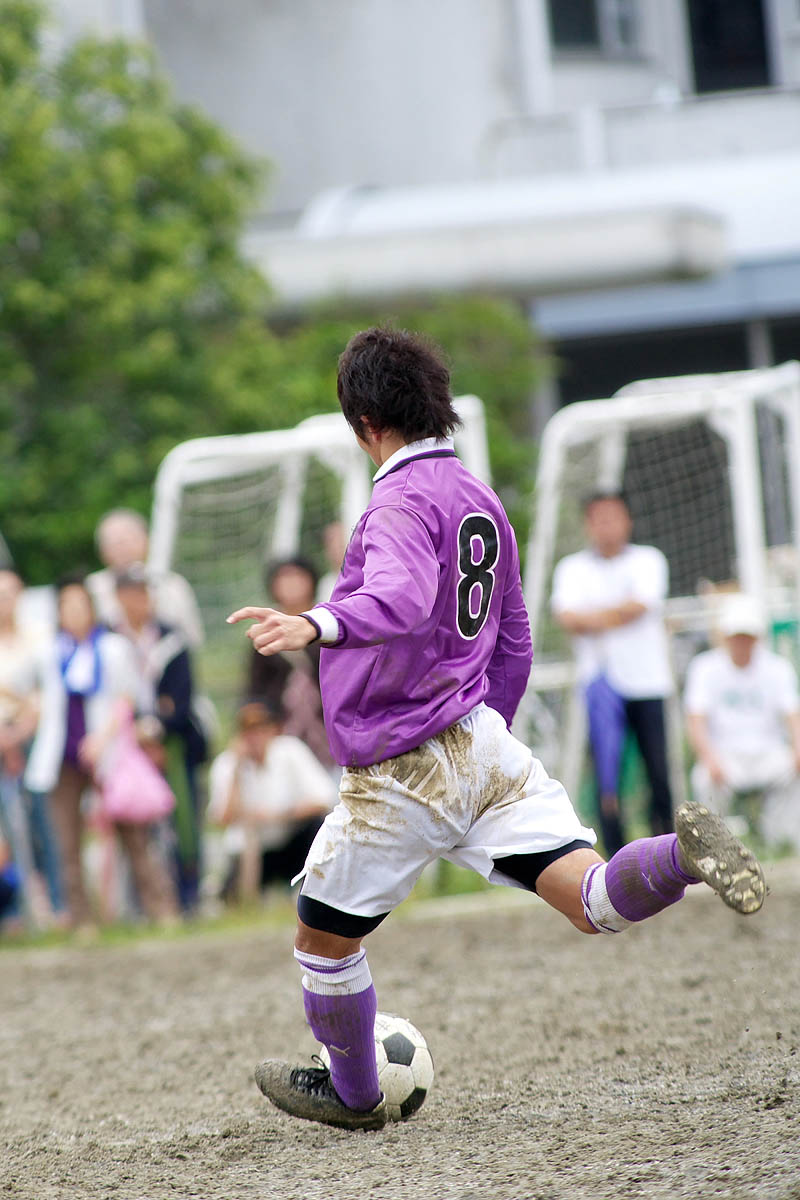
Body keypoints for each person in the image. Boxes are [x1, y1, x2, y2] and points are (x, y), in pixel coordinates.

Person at [228, 327, 764, 1133]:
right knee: (592, 899)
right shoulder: (480, 499)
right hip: (481, 742)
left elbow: (403, 600)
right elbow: (513, 634)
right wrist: (486, 746)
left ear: (365, 423)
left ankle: (354, 1093)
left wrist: (316, 624)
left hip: (400, 767)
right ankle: (682, 855)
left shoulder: (399, 499)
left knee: (323, 948)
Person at [26, 575, 177, 929]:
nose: (74, 613)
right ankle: (82, 920)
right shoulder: (50, 652)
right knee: (67, 842)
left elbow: (128, 697)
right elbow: (40, 697)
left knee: (133, 833)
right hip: (61, 755)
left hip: (108, 753)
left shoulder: (112, 648)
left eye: (80, 605)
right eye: (67, 606)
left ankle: (161, 909)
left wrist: (102, 740)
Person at [551, 492, 674, 854]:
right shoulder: (572, 568)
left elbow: (640, 606)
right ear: (589, 524)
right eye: (599, 519)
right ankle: (617, 856)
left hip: (648, 681)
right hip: (599, 685)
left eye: (613, 517)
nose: (607, 526)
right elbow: (567, 618)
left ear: (628, 521)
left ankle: (666, 848)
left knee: (658, 772)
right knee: (607, 776)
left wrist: (593, 618)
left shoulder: (648, 560)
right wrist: (618, 614)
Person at [114, 564, 207, 912]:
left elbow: (181, 697)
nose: (138, 600)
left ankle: (189, 895)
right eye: (129, 592)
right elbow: (114, 695)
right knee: (134, 823)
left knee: (184, 821)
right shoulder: (111, 639)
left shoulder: (171, 638)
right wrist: (137, 725)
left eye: (143, 592)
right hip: (126, 746)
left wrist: (155, 727)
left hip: (174, 742)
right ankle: (143, 901)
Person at [685, 592, 800, 851]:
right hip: (725, 756)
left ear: (757, 637)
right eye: (737, 635)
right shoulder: (705, 668)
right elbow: (696, 721)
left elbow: (793, 715)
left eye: (747, 636)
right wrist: (709, 758)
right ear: (725, 636)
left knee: (796, 771)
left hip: (768, 754)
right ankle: (715, 849)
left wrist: (798, 750)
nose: (742, 642)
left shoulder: (777, 668)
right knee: (703, 779)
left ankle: (783, 841)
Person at [207, 701, 335, 903]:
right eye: (248, 732)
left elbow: (324, 799)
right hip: (251, 851)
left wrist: (277, 816)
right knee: (233, 895)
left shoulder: (290, 751)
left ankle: (313, 894)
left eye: (260, 730)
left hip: (289, 839)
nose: (255, 738)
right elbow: (221, 818)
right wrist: (236, 771)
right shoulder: (227, 763)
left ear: (271, 731)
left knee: (318, 827)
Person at [0, 568, 65, 925]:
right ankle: (16, 909)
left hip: (35, 741)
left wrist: (22, 731)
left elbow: (46, 693)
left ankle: (57, 903)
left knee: (44, 824)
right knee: (8, 833)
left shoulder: (39, 637)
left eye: (10, 592)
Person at [246, 557, 333, 771]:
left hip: (327, 722)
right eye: (283, 578)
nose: (291, 584)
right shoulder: (265, 631)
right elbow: (255, 687)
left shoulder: (329, 623)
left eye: (297, 576)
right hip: (283, 728)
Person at [86, 508, 204, 649]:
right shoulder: (91, 588)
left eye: (128, 540)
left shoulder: (171, 585)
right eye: (114, 543)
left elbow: (192, 637)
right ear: (102, 551)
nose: (123, 549)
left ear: (145, 540)